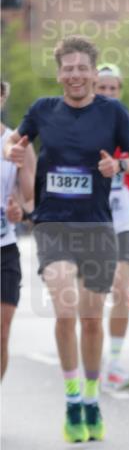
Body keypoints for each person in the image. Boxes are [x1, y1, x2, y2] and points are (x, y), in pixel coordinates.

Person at [3, 36, 129, 442]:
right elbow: (12, 146)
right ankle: (71, 401)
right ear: (59, 73)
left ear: (92, 70)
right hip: (52, 224)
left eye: (82, 68)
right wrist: (15, 157)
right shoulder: (42, 110)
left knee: (90, 320)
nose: (75, 75)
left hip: (97, 226)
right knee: (65, 309)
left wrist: (117, 166)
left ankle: (91, 397)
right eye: (68, 68)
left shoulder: (112, 112)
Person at [94, 63, 129, 390]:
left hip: (123, 220)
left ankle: (115, 362)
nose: (108, 94)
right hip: (91, 221)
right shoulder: (79, 126)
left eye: (114, 89)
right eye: (102, 88)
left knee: (122, 290)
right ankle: (91, 357)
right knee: (92, 296)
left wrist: (121, 162)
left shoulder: (127, 125)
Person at [0, 80, 36, 379]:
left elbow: (30, 200)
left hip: (5, 249)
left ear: (2, 98)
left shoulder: (17, 142)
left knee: (2, 332)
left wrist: (19, 212)